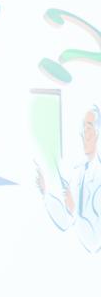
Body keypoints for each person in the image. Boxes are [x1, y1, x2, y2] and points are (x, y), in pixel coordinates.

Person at [37, 106, 101, 252]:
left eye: (88, 128)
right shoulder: (77, 172)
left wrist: (74, 211)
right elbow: (65, 221)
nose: (84, 134)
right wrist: (46, 193)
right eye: (82, 128)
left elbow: (94, 243)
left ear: (98, 133)